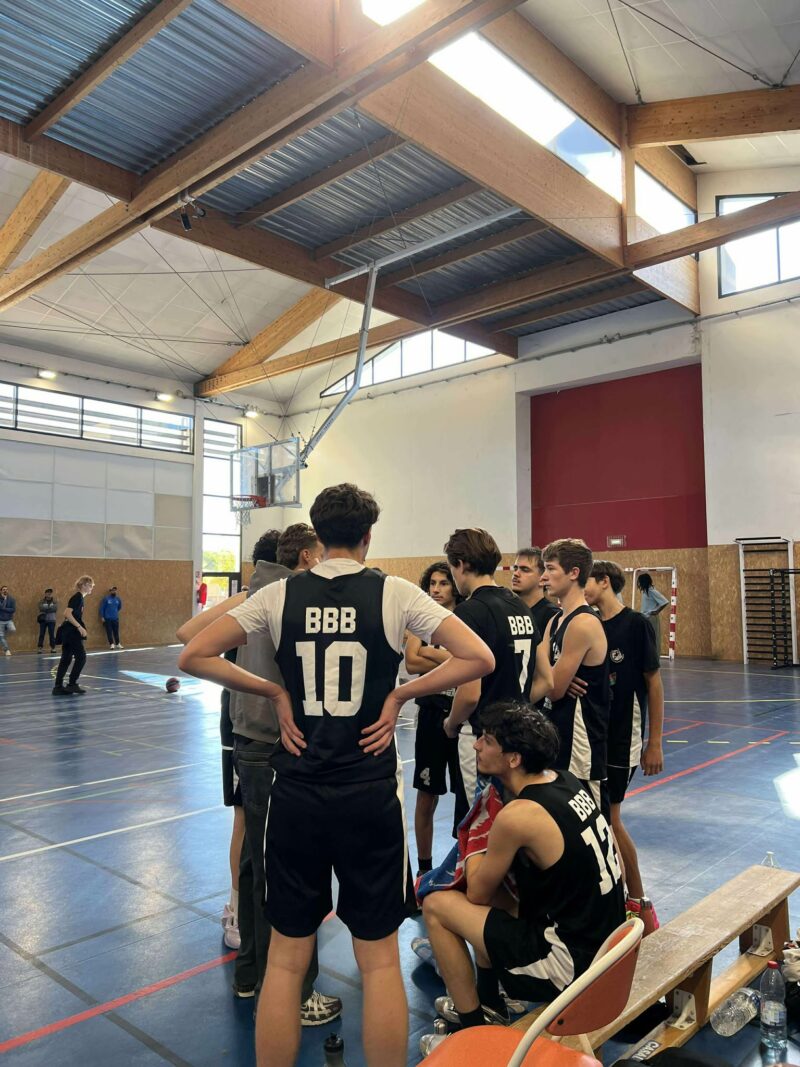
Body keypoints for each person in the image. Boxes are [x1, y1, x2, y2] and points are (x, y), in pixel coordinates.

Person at [178, 483, 495, 1067]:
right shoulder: (395, 593)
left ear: (318, 537)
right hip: (368, 793)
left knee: (285, 962)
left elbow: (192, 653)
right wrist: (401, 694)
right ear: (368, 536)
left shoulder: (279, 595)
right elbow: (479, 657)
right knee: (378, 962)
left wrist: (274, 691)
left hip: (297, 791)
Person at [177, 524, 340, 1024]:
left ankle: (249, 973)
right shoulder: (287, 596)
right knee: (289, 869)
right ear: (306, 557)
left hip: (249, 739)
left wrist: (244, 679)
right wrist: (270, 689)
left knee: (255, 862)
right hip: (276, 742)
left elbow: (189, 634)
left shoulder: (252, 593)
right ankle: (294, 991)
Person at [418, 702, 625, 1056]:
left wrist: (477, 835)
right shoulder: (568, 780)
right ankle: (490, 1002)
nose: (476, 745)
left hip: (573, 968)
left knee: (437, 906)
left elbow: (477, 893)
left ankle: (474, 1038)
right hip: (609, 948)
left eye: (487, 740)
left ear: (513, 759)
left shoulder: (519, 816)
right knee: (501, 893)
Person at [442, 528, 553, 808]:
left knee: (481, 821)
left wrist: (451, 724)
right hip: (517, 738)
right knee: (510, 816)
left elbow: (470, 694)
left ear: (461, 565)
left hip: (484, 736)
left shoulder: (470, 611)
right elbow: (546, 680)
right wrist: (516, 710)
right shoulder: (521, 607)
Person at [584, 561, 664, 933]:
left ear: (604, 582)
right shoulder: (589, 624)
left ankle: (639, 903)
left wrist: (654, 742)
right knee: (598, 820)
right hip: (592, 737)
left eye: (587, 580)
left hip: (622, 740)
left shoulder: (635, 625)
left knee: (610, 820)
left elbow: (654, 684)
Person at [405, 561, 467, 876]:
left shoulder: (466, 618)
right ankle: (424, 868)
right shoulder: (422, 619)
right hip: (431, 715)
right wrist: (452, 660)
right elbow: (412, 662)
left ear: (454, 586)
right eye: (432, 583)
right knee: (426, 794)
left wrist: (430, 652)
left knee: (465, 796)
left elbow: (472, 661)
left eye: (443, 583)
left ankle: (464, 865)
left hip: (461, 716)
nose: (436, 589)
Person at [541, 539, 610, 817]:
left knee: (597, 828)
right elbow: (536, 669)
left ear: (573, 573)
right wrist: (552, 674)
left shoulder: (583, 623)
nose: (544, 577)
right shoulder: (555, 620)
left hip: (582, 747)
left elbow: (552, 688)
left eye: (550, 569)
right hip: (558, 737)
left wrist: (552, 677)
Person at [53, 576, 94, 696]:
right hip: (71, 632)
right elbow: (67, 613)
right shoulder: (77, 597)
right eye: (90, 585)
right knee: (81, 657)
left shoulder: (79, 598)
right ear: (84, 585)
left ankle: (58, 687)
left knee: (66, 659)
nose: (91, 588)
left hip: (68, 632)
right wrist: (79, 627)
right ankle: (72, 684)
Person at [511, 547, 560, 638]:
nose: (516, 573)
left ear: (542, 579)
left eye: (525, 569)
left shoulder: (553, 616)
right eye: (515, 568)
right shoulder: (508, 612)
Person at [637, 572, 669, 655]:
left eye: (640, 582)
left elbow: (665, 601)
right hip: (645, 617)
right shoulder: (645, 591)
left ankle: (654, 656)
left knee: (653, 638)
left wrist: (657, 611)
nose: (639, 584)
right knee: (646, 638)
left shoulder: (651, 591)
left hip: (651, 617)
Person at [37, 588, 58, 653]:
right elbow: (41, 608)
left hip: (52, 620)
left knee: (51, 634)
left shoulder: (55, 601)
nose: (49, 594)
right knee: (41, 634)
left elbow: (55, 609)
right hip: (43, 620)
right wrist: (50, 607)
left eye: (50, 593)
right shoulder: (41, 601)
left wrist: (46, 607)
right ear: (45, 594)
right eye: (48, 592)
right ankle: (40, 648)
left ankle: (53, 648)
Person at [0, 585, 17, 657]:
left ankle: (5, 630)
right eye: (3, 589)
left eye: (6, 589)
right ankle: (7, 650)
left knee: (13, 629)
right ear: (1, 591)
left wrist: (4, 609)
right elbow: (1, 607)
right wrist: (4, 600)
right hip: (0, 620)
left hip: (9, 620)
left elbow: (13, 610)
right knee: (1, 637)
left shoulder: (12, 599)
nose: (5, 590)